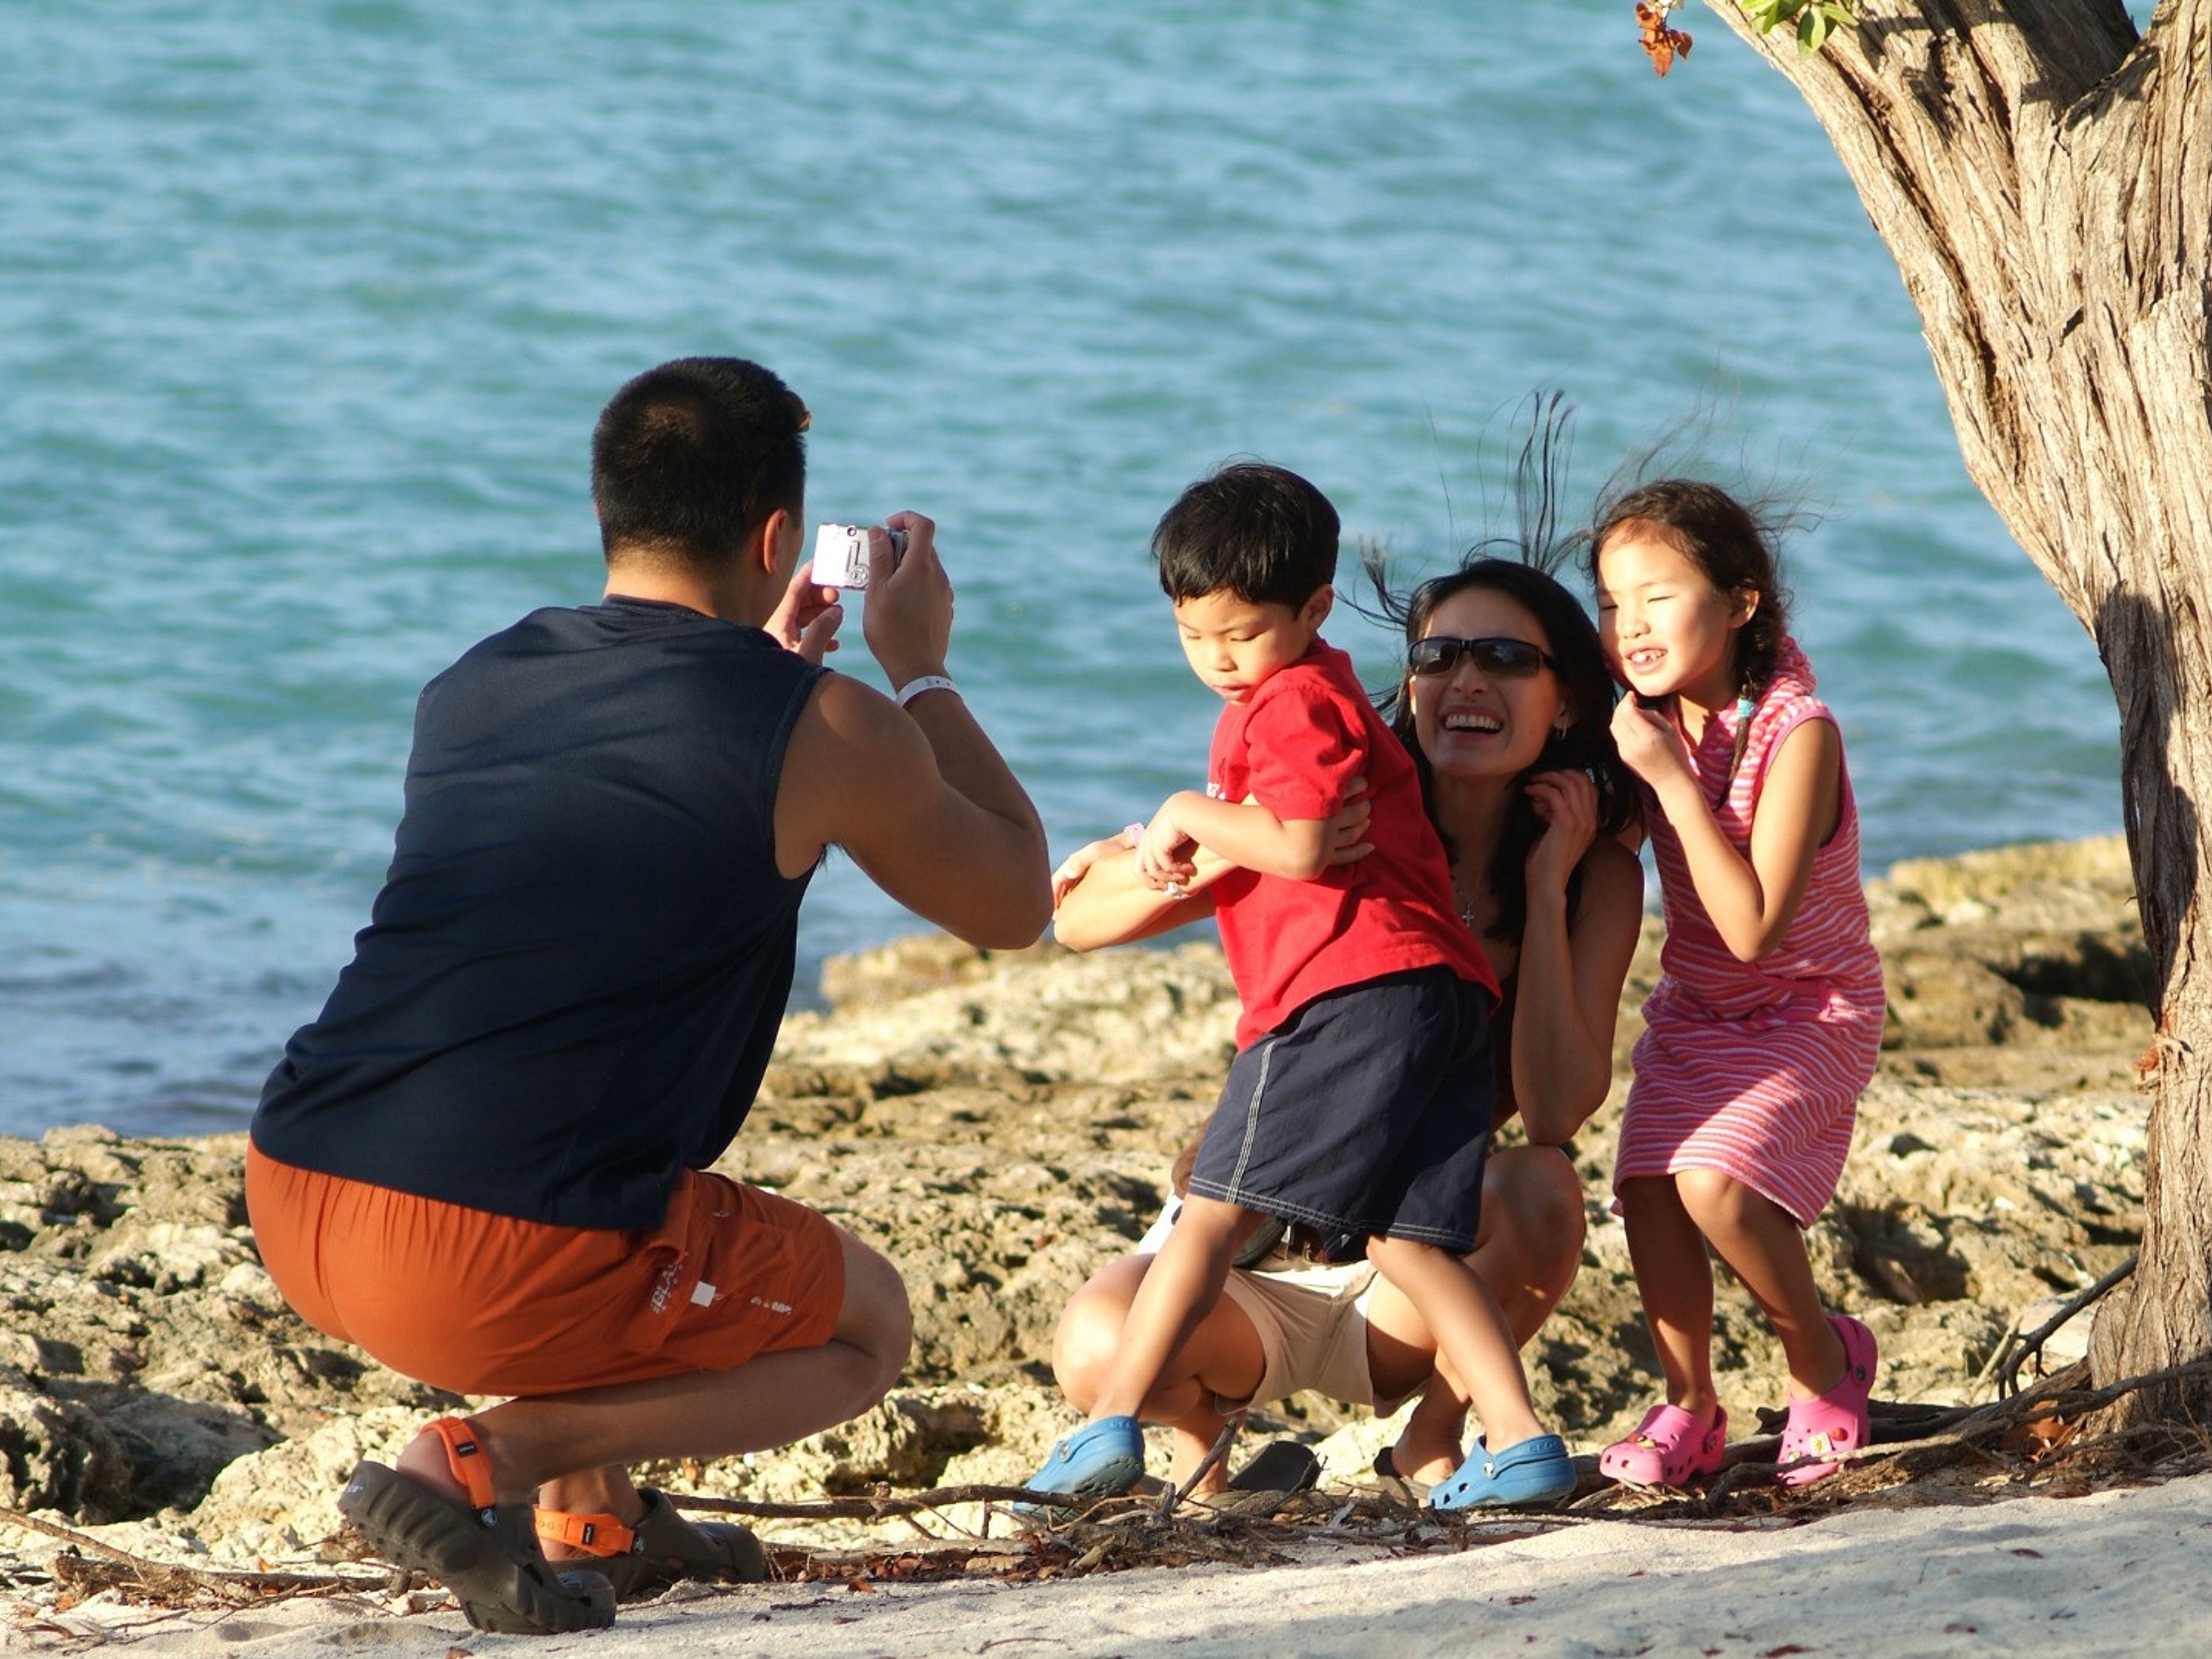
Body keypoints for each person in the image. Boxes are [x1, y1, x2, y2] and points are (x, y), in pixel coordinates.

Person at [244, 357, 1052, 1633]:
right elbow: (1017, 900)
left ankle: (594, 1520)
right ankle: (480, 1464)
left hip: (297, 1187)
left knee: (611, 1155)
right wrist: (921, 671)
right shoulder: (829, 727)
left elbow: (637, 815)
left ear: (610, 517)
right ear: (782, 537)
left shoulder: (474, 682)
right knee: (868, 1324)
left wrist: (764, 669)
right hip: (485, 1256)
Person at [1027, 461, 1577, 1514]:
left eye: (1241, 634)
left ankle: (1110, 1429)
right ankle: (1517, 1439)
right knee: (1414, 1239)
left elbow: (1306, 839)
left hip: (1343, 992)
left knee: (1207, 1215)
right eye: (1196, 637)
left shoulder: (1293, 701)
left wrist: (1189, 809)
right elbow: (1114, 907)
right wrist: (1166, 847)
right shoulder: (1315, 699)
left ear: (1316, 610)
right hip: (1438, 991)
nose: (1220, 661)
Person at [1589, 478, 1883, 1490]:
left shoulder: (1799, 733)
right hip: (1698, 1012)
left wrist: (1668, 780)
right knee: (1647, 1192)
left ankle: (1824, 1361)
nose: (1632, 625)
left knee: (1714, 1182)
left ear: (1742, 600)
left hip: (1808, 1009)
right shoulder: (1649, 718)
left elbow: (1755, 929)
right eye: (1614, 603)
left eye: (1658, 596)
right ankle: (1690, 1405)